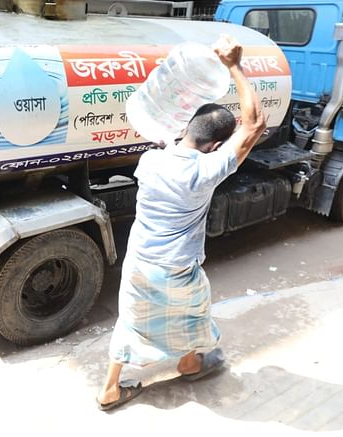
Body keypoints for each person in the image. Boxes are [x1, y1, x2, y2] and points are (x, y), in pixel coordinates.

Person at [96, 36, 267, 411]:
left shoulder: (150, 161)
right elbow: (254, 124)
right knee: (192, 312)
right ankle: (190, 363)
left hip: (140, 259)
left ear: (187, 125)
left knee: (132, 319)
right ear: (213, 145)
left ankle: (111, 388)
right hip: (176, 265)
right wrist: (235, 66)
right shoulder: (206, 171)